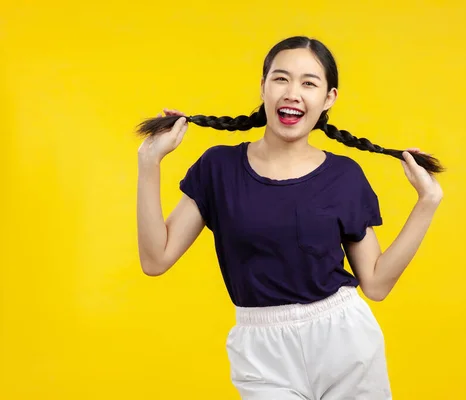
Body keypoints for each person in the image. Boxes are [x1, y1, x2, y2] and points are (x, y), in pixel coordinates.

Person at [136, 36, 444, 400]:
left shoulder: (344, 176)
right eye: (281, 78)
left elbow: (375, 284)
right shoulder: (219, 168)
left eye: (309, 83)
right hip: (262, 353)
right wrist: (149, 163)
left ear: (328, 98)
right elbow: (155, 260)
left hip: (345, 341)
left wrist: (428, 201)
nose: (292, 93)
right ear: (263, 86)